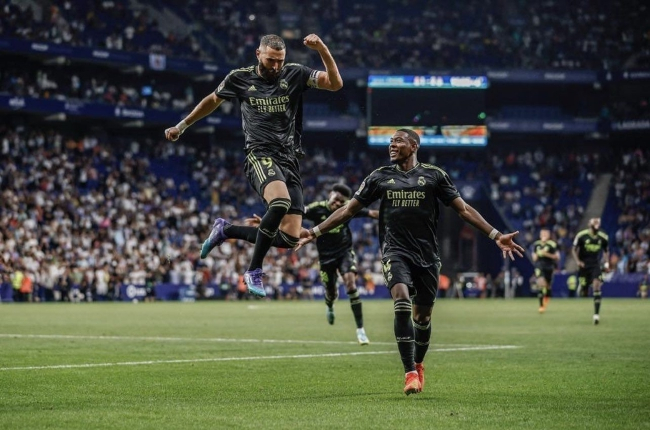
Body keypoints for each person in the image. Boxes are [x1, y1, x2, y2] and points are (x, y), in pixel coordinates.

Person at [295, 128, 525, 395]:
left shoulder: (434, 176)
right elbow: (348, 210)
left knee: (422, 317)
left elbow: (463, 209)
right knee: (401, 300)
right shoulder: (379, 177)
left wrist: (495, 235)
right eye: (390, 142)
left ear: (414, 146)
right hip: (395, 251)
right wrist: (314, 232)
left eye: (398, 141)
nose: (392, 145)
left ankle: (418, 364)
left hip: (427, 256)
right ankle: (409, 373)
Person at [164, 34, 343, 297]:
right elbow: (212, 100)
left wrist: (322, 49)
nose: (276, 66)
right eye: (271, 60)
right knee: (280, 202)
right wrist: (181, 126)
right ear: (258, 54)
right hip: (259, 154)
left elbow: (335, 84)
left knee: (290, 238)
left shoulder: (295, 73)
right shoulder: (239, 78)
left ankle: (225, 230)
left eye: (280, 61)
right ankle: (254, 270)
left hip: (289, 159)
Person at [246, 184, 378, 345]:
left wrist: (394, 214)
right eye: (336, 199)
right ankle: (330, 304)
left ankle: (360, 330)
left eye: (341, 202)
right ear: (330, 194)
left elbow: (372, 213)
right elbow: (291, 216)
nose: (338, 204)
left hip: (345, 253)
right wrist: (267, 222)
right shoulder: (316, 208)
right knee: (331, 293)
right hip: (325, 257)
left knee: (351, 285)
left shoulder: (347, 208)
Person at [572, 217, 609, 324]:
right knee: (584, 293)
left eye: (598, 222)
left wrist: (606, 263)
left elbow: (606, 250)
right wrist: (578, 261)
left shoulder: (603, 237)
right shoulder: (581, 235)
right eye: (595, 222)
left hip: (595, 265)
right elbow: (573, 249)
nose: (597, 223)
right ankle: (582, 286)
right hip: (584, 265)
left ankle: (596, 315)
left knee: (597, 286)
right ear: (589, 224)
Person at [531, 228, 560, 313]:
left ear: (548, 235)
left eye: (545, 234)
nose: (544, 235)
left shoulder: (552, 244)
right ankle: (541, 306)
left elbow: (557, 257)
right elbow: (534, 258)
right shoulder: (536, 244)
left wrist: (546, 254)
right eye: (542, 234)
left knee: (548, 287)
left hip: (549, 267)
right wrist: (538, 253)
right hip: (539, 266)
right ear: (540, 235)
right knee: (540, 283)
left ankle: (546, 300)